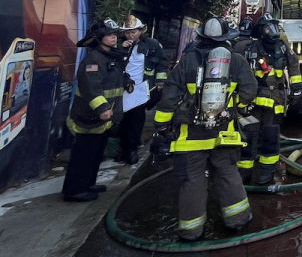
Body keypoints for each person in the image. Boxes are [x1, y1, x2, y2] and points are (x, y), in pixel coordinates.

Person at [151, 16, 258, 241]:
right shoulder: (237, 61)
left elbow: (169, 97)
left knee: (192, 179)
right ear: (226, 38)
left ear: (201, 38)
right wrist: (235, 107)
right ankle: (237, 220)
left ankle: (191, 230)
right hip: (224, 132)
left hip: (189, 136)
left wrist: (161, 127)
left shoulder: (187, 60)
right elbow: (249, 90)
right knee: (228, 173)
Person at [62, 19, 127, 202]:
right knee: (83, 154)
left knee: (95, 153)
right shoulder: (93, 59)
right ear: (98, 39)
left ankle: (88, 183)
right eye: (109, 35)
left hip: (102, 118)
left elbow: (112, 80)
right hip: (89, 116)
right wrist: (102, 108)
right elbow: (92, 86)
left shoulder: (109, 57)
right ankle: (74, 190)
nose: (114, 38)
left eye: (115, 35)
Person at [236, 13, 302, 185]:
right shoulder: (251, 49)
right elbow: (241, 74)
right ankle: (245, 170)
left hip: (276, 100)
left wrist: (296, 89)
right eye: (268, 28)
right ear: (260, 31)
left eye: (274, 27)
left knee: (271, 137)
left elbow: (294, 66)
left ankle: (267, 171)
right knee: (248, 136)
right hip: (254, 100)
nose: (272, 32)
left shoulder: (282, 47)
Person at [117, 15, 169, 164]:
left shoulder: (152, 45)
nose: (131, 35)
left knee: (136, 119)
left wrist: (160, 82)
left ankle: (132, 149)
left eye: (134, 31)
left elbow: (162, 63)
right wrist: (122, 49)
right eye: (128, 32)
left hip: (141, 88)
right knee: (122, 120)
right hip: (121, 89)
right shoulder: (119, 46)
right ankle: (123, 148)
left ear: (140, 31)